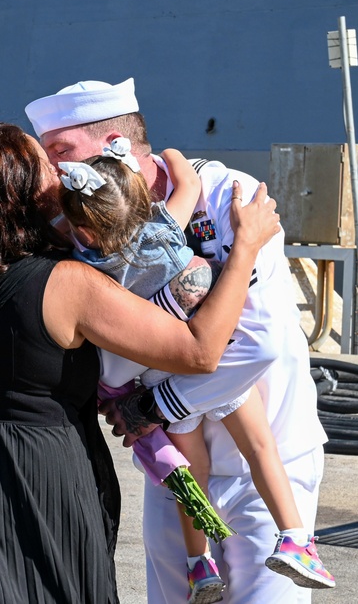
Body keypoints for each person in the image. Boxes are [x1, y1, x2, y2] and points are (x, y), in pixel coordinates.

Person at [0, 122, 283, 603]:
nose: (61, 173)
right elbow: (200, 351)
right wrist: (246, 247)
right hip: (36, 492)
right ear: (29, 196)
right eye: (45, 167)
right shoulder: (68, 285)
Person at [26, 79, 329, 603]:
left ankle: (298, 542)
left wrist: (154, 405)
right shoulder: (79, 226)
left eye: (62, 153)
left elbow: (259, 342)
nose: (56, 173)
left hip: (261, 458)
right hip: (178, 462)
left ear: (114, 142)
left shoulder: (228, 196)